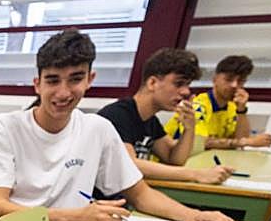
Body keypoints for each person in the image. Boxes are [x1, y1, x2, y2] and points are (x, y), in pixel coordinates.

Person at [0, 29, 236, 221]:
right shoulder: (2, 128)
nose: (63, 92)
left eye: (75, 79)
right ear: (37, 83)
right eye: (52, 80)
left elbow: (140, 193)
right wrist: (74, 218)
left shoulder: (97, 129)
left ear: (89, 79)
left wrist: (192, 215)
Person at [98, 48, 234, 185]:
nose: (186, 91)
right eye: (179, 83)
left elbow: (174, 159)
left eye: (187, 85)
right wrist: (196, 174)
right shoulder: (117, 114)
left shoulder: (150, 120)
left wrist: (189, 128)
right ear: (152, 83)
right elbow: (130, 164)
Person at [162, 54, 271, 149]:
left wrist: (241, 110)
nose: (235, 85)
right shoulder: (199, 105)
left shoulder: (231, 107)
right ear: (215, 79)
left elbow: (242, 139)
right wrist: (245, 142)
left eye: (241, 81)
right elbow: (198, 143)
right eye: (229, 79)